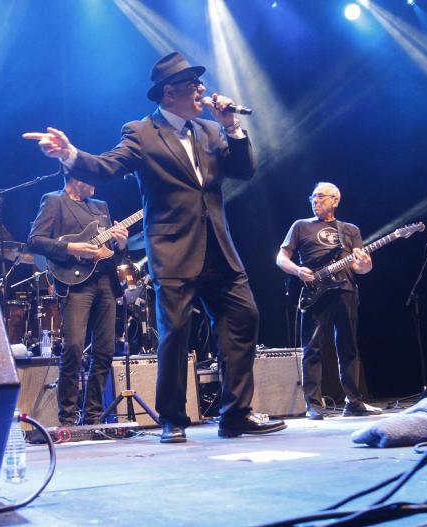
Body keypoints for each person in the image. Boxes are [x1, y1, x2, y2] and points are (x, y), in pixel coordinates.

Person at [24, 51, 286, 442]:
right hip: (174, 249)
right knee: (175, 332)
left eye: (200, 82)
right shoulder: (142, 133)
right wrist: (70, 155)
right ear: (169, 93)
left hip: (218, 247)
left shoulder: (211, 132)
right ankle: (173, 419)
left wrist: (232, 126)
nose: (202, 88)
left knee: (244, 317)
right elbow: (108, 166)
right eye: (192, 84)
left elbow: (244, 171)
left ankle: (235, 414)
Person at [27, 176, 128, 426]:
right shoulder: (53, 201)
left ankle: (93, 416)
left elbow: (110, 250)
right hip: (76, 284)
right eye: (89, 175)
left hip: (105, 281)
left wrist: (121, 243)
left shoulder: (100, 206)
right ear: (74, 177)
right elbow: (35, 240)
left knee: (104, 351)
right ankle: (68, 419)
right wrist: (73, 248)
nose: (95, 180)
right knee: (73, 348)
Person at [276, 182, 382, 420]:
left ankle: (354, 402)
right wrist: (298, 271)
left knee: (348, 347)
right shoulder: (300, 226)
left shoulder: (349, 230)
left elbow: (360, 267)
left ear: (335, 200)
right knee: (312, 347)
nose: (315, 201)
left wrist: (365, 263)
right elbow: (280, 258)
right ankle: (313, 404)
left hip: (345, 290)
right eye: (312, 197)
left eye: (320, 197)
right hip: (314, 291)